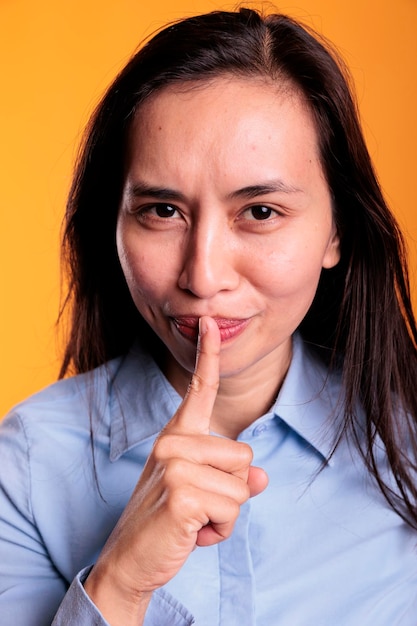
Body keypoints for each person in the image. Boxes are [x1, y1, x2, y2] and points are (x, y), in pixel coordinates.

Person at [1, 7, 417, 625]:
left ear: (337, 233)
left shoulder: (407, 443)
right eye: (162, 211)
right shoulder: (25, 467)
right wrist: (119, 581)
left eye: (261, 212)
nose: (203, 276)